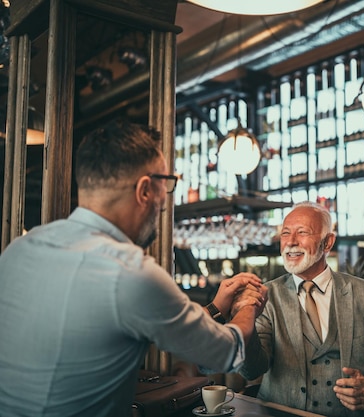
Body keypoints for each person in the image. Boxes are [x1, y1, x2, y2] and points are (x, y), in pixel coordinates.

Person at [0, 119, 266, 417]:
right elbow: (226, 353)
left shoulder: (20, 249)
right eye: (166, 184)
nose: (165, 201)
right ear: (144, 190)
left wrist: (216, 307)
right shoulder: (129, 271)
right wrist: (248, 305)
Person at [239, 201, 364, 417]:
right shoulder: (266, 296)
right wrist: (244, 321)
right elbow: (252, 370)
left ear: (327, 242)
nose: (291, 242)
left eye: (302, 232)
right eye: (285, 233)